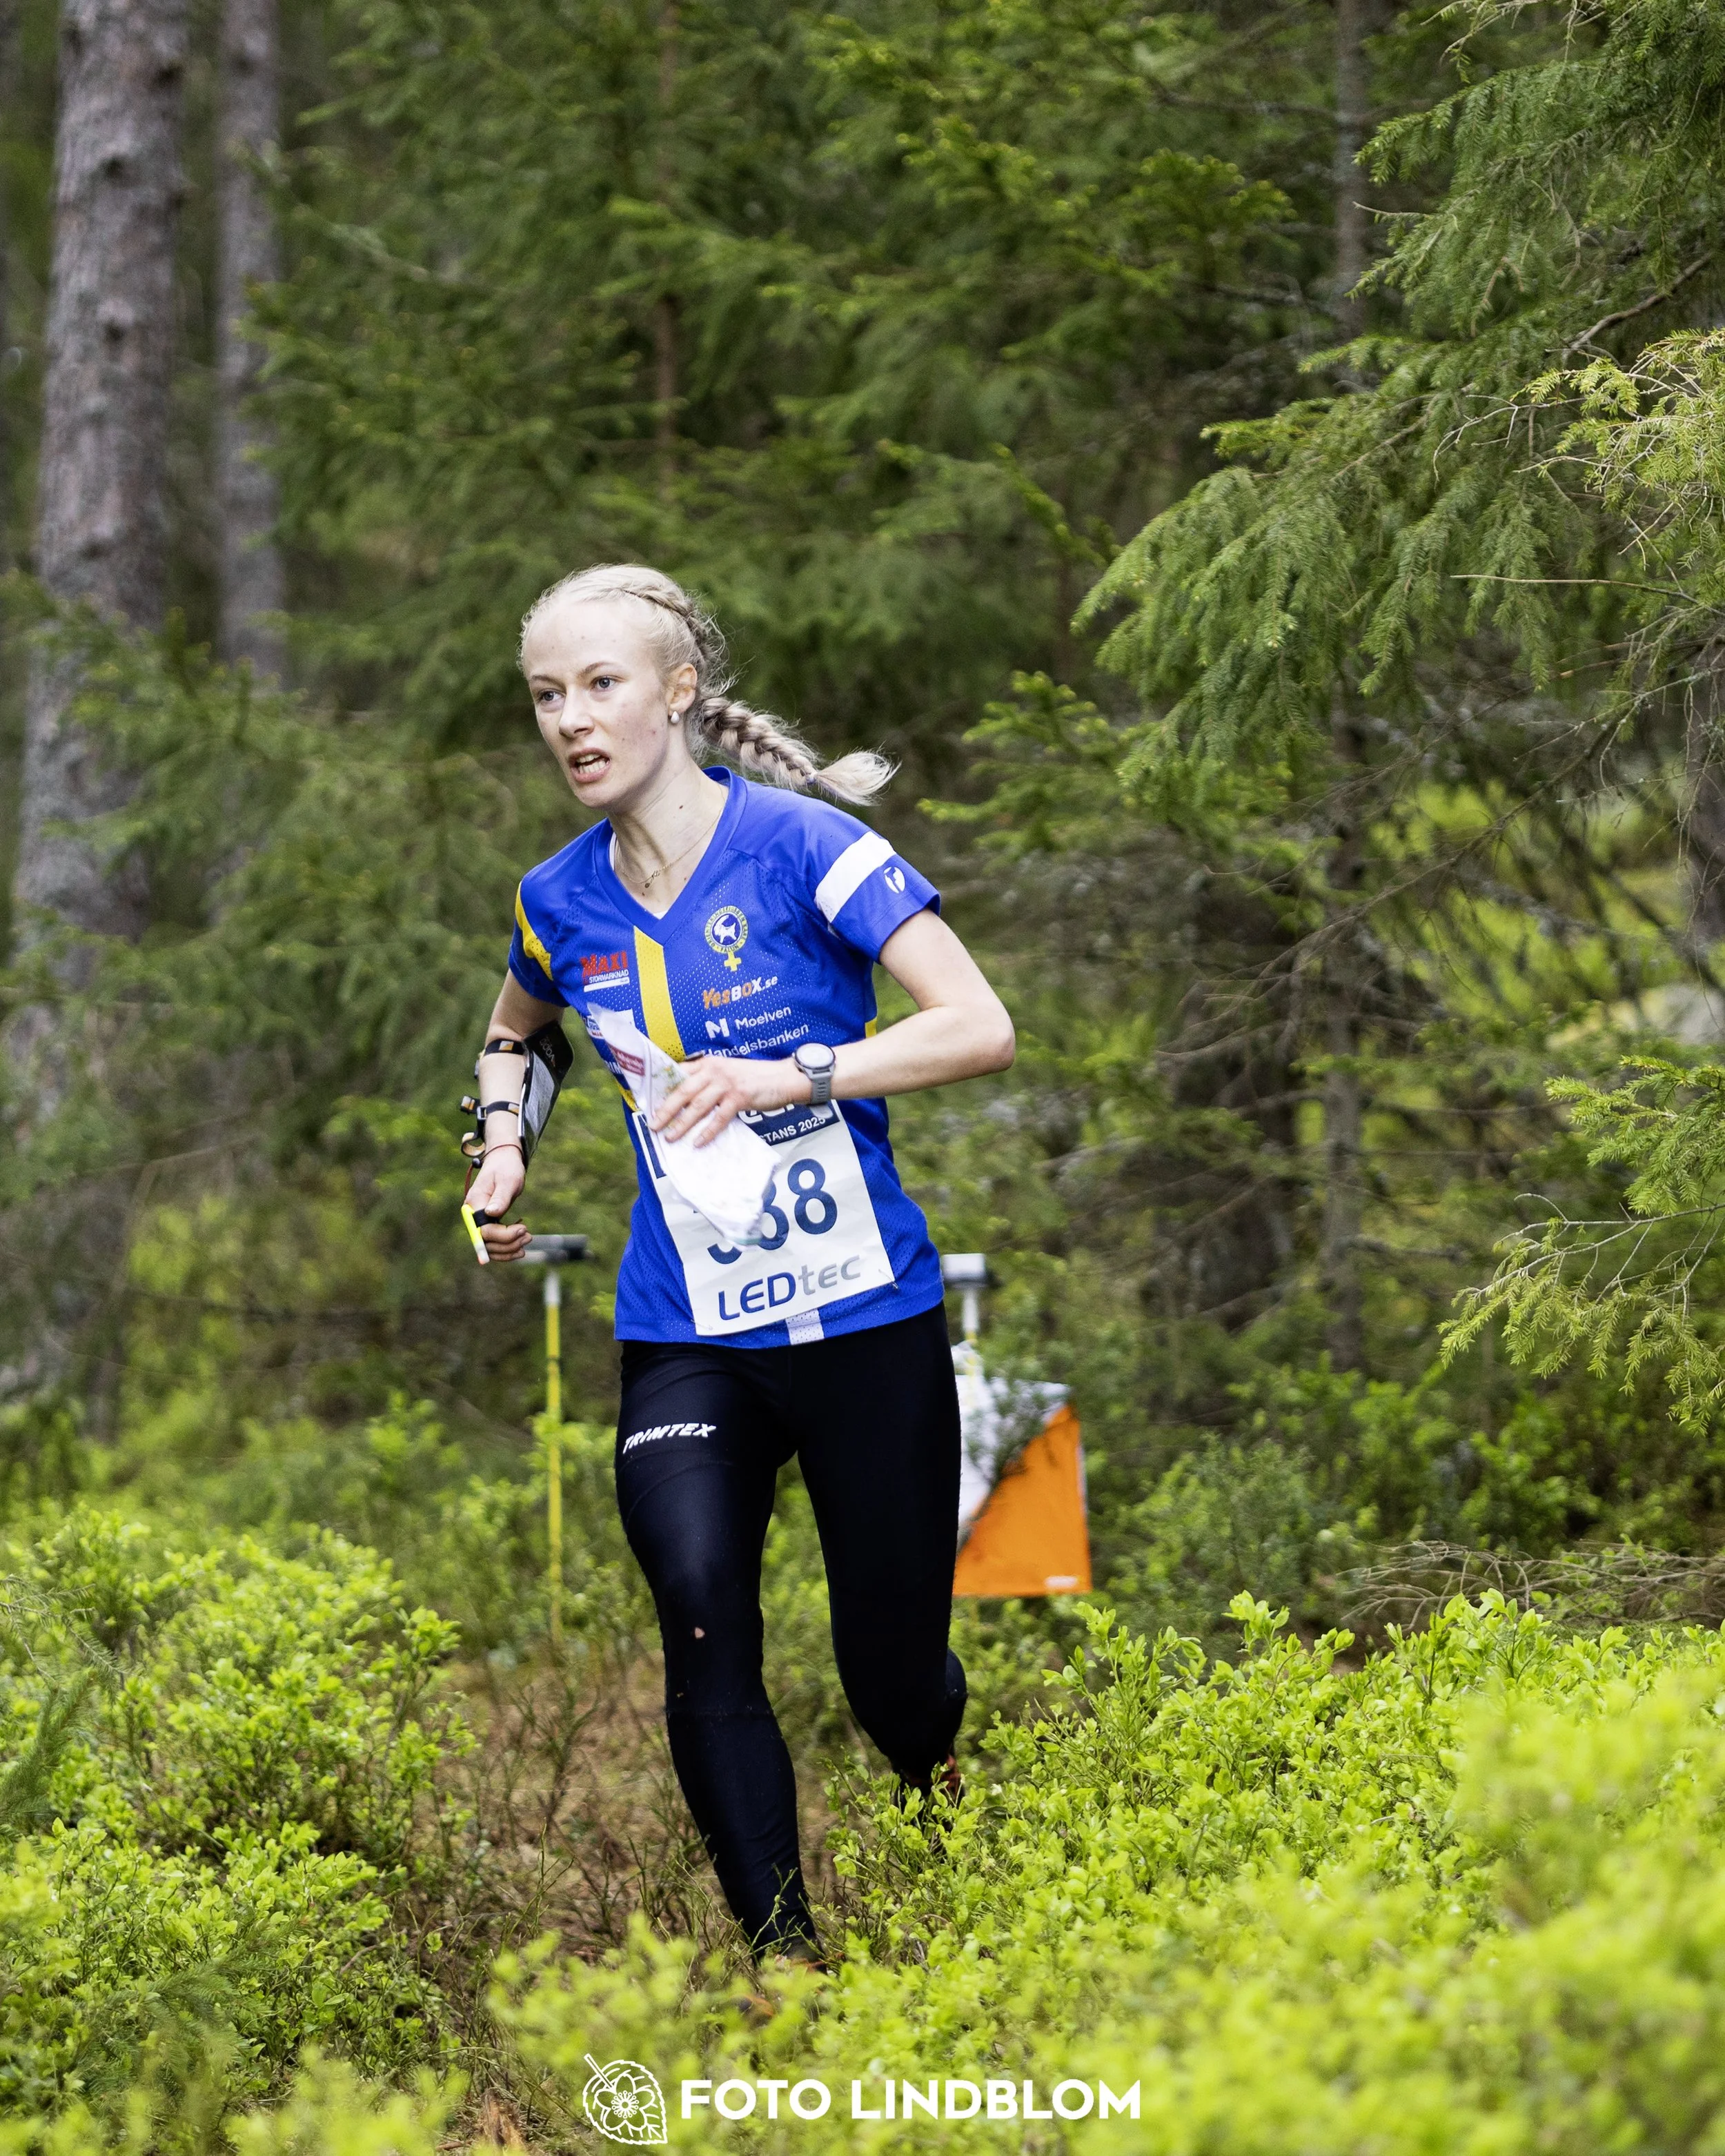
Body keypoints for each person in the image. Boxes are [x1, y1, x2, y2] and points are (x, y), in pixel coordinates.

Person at [464, 562, 1014, 1964]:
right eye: (546, 695)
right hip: (684, 1329)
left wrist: (797, 1070)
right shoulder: (556, 897)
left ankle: (937, 1778)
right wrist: (499, 1147)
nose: (571, 719)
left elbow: (976, 1023)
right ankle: (786, 1962)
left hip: (860, 1320)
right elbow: (514, 1036)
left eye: (599, 684)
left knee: (888, 1679)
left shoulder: (802, 846)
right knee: (700, 1607)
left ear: (676, 690)